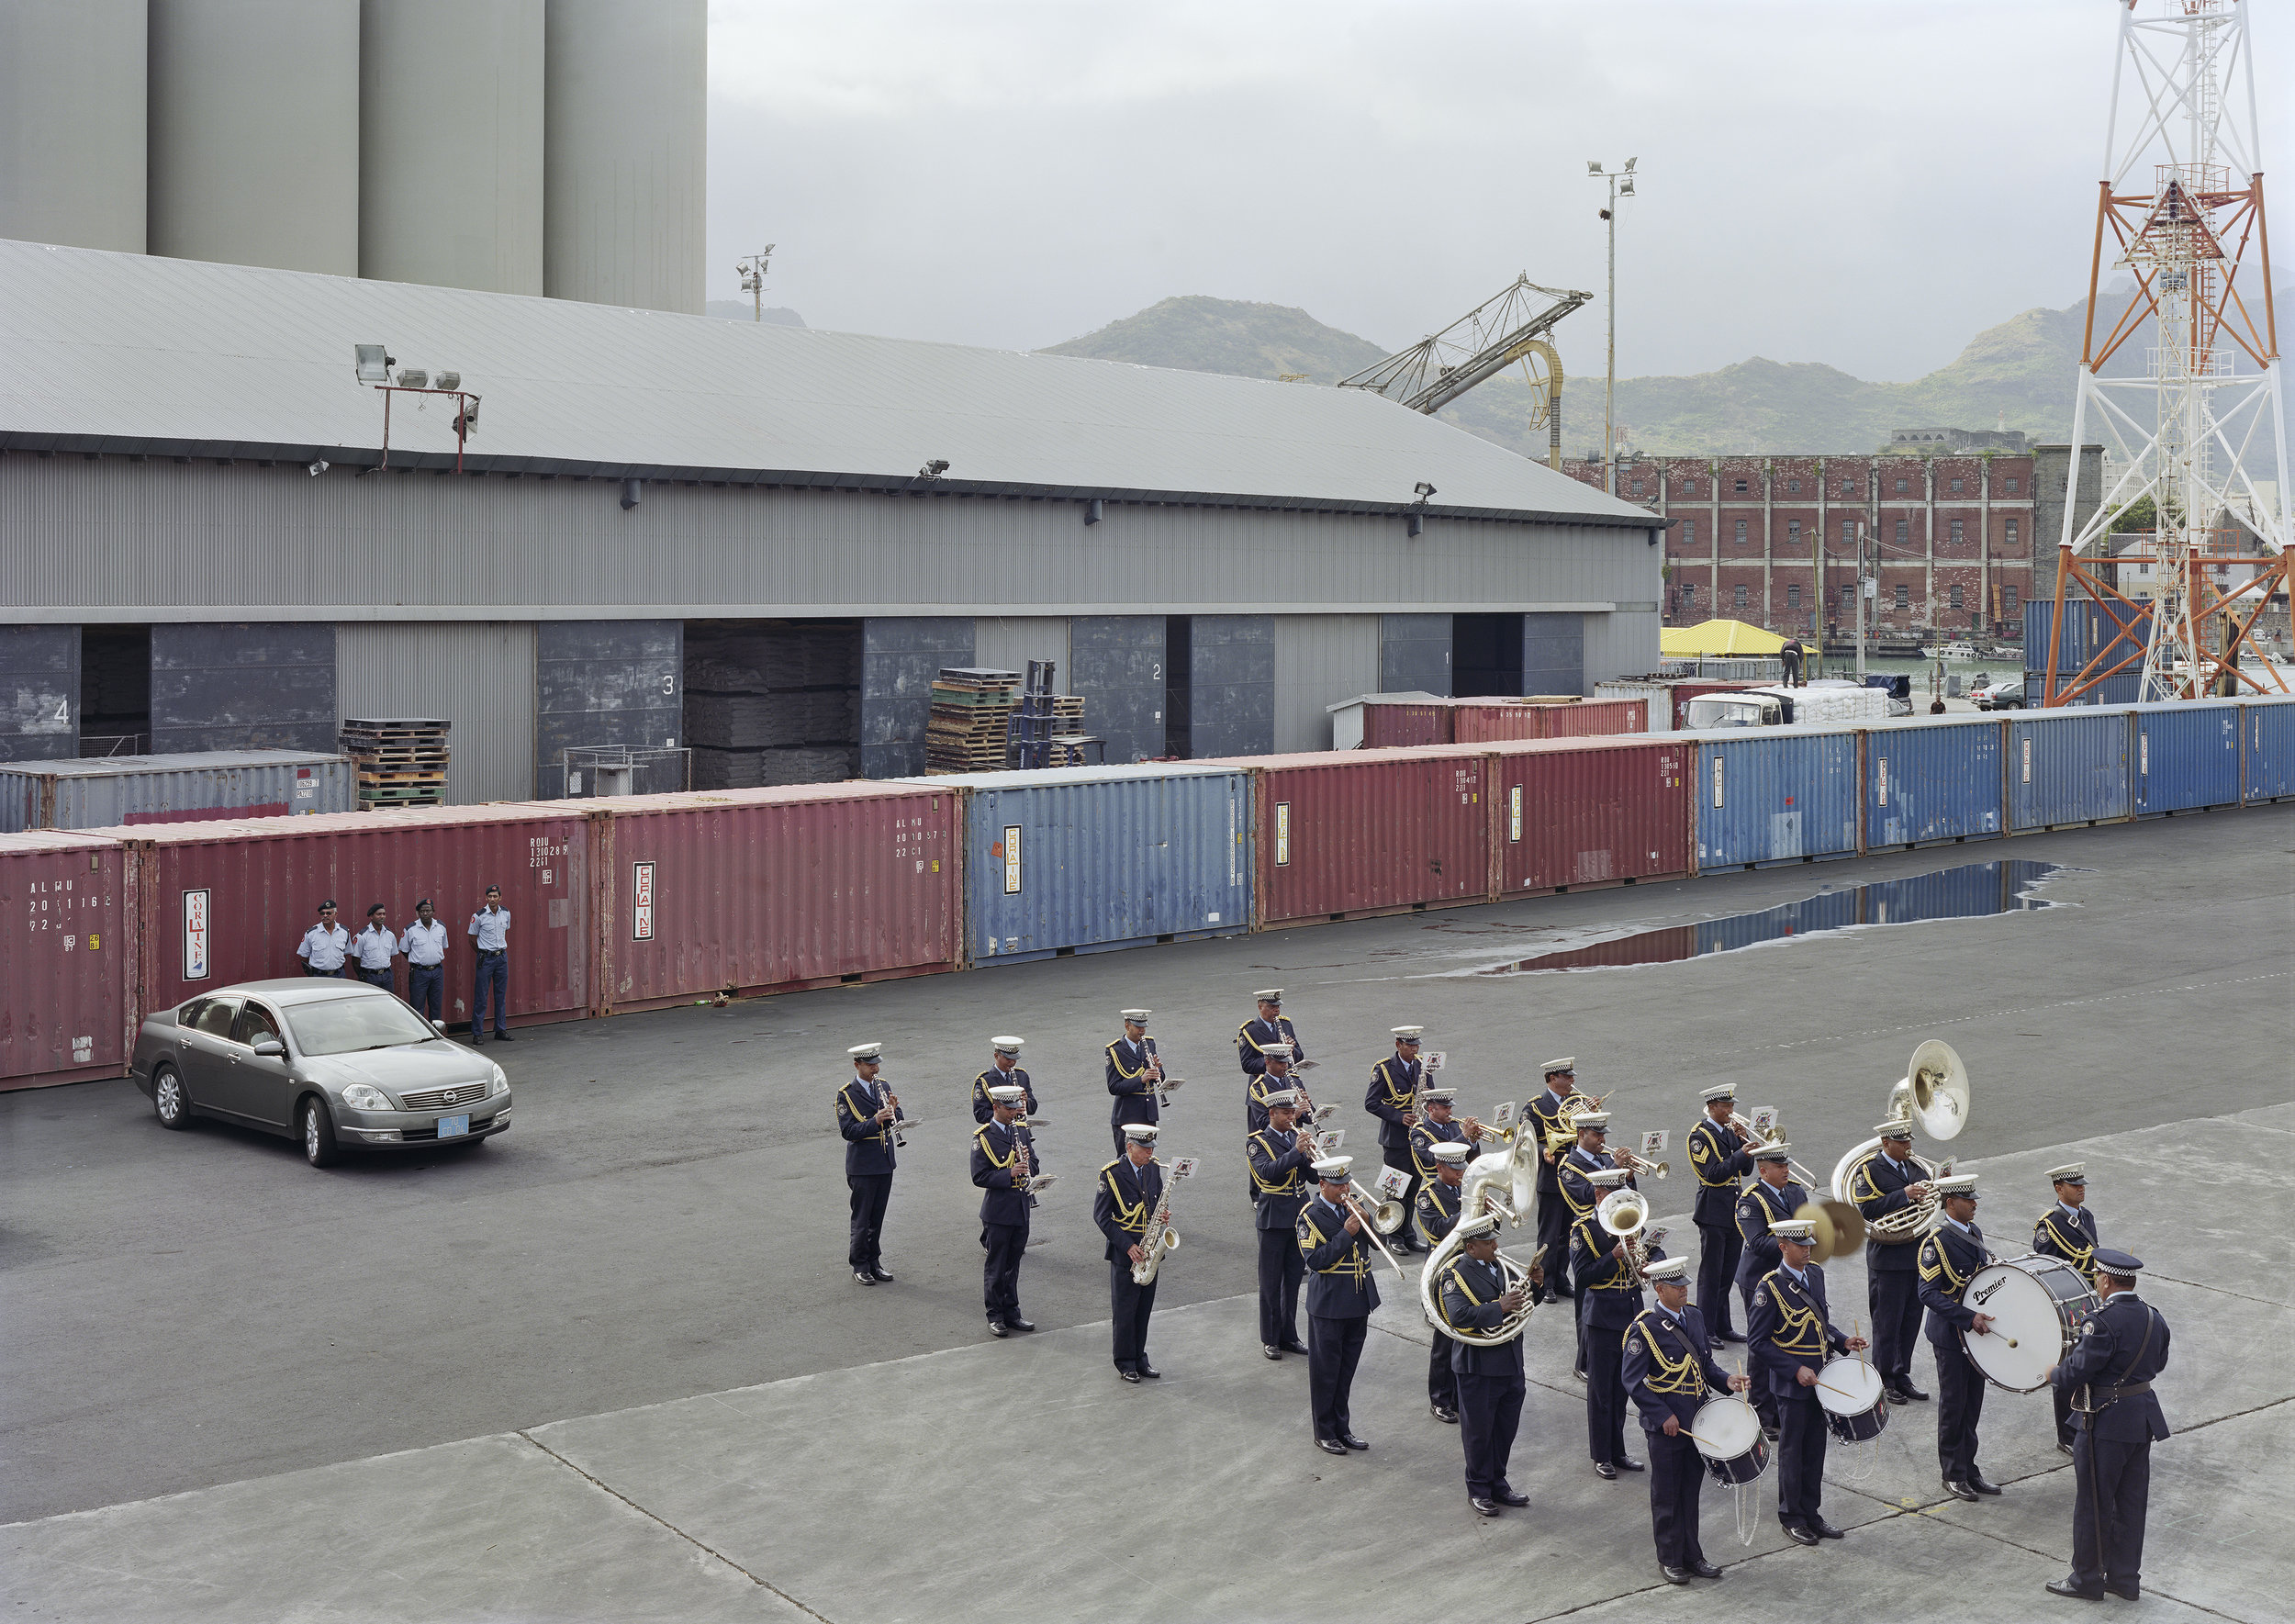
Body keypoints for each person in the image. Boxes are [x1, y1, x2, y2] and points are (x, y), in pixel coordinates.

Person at [2043, 1248, 2170, 1603]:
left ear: (2105, 1279)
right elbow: (2158, 1362)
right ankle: (2125, 1579)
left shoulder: (2101, 1322)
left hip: (2105, 1422)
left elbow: (2076, 1372)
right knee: (2131, 1504)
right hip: (2140, 1418)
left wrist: (2055, 1373)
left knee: (2093, 1503)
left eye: (2097, 1277)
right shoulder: (2153, 1317)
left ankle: (2086, 1578)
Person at [1624, 1256, 1750, 1585]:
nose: (1684, 1290)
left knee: (1690, 1492)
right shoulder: (1645, 1329)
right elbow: (1633, 1382)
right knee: (1666, 1494)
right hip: (1666, 1427)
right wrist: (1662, 1414)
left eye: (1684, 1285)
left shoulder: (1693, 1316)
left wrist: (1727, 1382)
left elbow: (1705, 1366)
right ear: (1659, 1288)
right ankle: (1669, 1559)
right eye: (1677, 1286)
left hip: (1697, 1422)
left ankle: (1692, 1555)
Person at [1745, 1216, 1866, 1545]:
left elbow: (1820, 1322)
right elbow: (1757, 1342)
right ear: (1783, 1247)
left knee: (1815, 1450)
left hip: (1821, 1379)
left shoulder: (1815, 1274)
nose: (1807, 1251)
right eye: (1801, 1246)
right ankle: (1792, 1516)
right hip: (1791, 1384)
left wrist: (1842, 1342)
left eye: (1809, 1245)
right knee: (1792, 1451)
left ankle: (1812, 1512)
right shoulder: (1768, 1288)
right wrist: (1794, 1369)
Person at [1439, 1214, 1534, 1515]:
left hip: (1509, 1361)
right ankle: (1478, 1487)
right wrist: (1498, 1306)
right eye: (1487, 1242)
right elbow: (1457, 1316)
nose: (1495, 1245)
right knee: (1479, 1431)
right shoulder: (1454, 1274)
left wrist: (1538, 1287)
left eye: (1494, 1240)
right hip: (1477, 1366)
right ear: (1470, 1247)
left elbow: (1522, 1303)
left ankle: (1498, 1481)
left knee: (1506, 1428)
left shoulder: (1499, 1266)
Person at [1919, 1172, 2003, 1501]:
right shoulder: (1936, 1242)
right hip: (1951, 1336)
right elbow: (1928, 1293)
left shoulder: (1974, 1233)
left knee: (1972, 1405)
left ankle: (1970, 1468)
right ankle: (1953, 1473)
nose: (1975, 1204)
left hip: (1975, 1335)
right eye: (1969, 1200)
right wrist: (1969, 1318)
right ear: (1950, 1203)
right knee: (1954, 1405)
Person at [1573, 1167, 1657, 1480]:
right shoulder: (1583, 1231)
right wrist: (1615, 1256)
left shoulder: (1632, 1222)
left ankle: (1618, 1450)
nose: (1620, 1202)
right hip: (1602, 1317)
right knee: (1601, 1391)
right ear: (1598, 1195)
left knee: (1623, 1388)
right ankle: (1602, 1455)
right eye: (1613, 1196)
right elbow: (1582, 1278)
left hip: (1630, 1313)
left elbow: (1650, 1250)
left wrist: (1651, 1263)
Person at [1847, 1119, 1933, 1406]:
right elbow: (1867, 1209)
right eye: (1902, 1143)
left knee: (1910, 1319)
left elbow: (1930, 1198)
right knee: (1887, 1322)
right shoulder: (1870, 1170)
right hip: (1888, 1257)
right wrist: (1903, 1195)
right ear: (1886, 1144)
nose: (1909, 1147)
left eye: (1909, 1142)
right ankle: (1883, 1378)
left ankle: (1901, 1373)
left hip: (1916, 1253)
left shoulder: (1915, 1167)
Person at [1298, 1156, 1379, 1454]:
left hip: (1358, 1299)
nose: (1345, 1189)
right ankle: (1324, 1431)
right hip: (1329, 1304)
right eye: (1337, 1185)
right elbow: (1316, 1261)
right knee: (1325, 1371)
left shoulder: (1354, 1206)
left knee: (1346, 1370)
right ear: (1322, 1184)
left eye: (1346, 1182)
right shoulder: (1309, 1215)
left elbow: (1380, 1237)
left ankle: (1342, 1428)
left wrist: (1368, 1220)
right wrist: (1347, 1233)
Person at [1733, 1142, 1810, 1438]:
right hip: (1759, 1281)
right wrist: (1794, 1245)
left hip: (1790, 1277)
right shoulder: (1750, 1201)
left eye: (1787, 1166)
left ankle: (1782, 1407)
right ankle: (1762, 1413)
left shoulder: (1796, 1191)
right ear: (1763, 1171)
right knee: (1762, 1346)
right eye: (1780, 1167)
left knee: (1788, 1340)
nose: (1786, 1171)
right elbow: (1758, 1242)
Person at [2033, 1161, 2100, 1454]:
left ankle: (2084, 1425)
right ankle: (2066, 1435)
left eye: (2082, 1184)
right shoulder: (2049, 1225)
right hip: (2065, 1306)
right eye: (2075, 1186)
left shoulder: (2087, 1216)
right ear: (2059, 1189)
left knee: (2088, 1365)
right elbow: (2043, 1269)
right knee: (2067, 1368)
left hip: (2089, 1300)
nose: (2081, 1188)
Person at [1246, 1086, 1316, 1361]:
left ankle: (1289, 1335)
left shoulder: (1295, 1137)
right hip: (1274, 1218)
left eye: (1293, 1113)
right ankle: (1270, 1338)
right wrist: (1296, 1152)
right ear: (1272, 1113)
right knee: (1271, 1282)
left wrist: (1312, 1154)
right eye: (1286, 1113)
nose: (1291, 1118)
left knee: (1293, 1282)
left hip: (1298, 1215)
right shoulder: (1258, 1142)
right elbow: (1267, 1174)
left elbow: (1311, 1178)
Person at [1093, 1123, 1167, 1383]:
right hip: (1126, 1253)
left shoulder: (1153, 1168)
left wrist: (1163, 1216)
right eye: (1145, 1148)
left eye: (1151, 1148)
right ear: (1130, 1147)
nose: (1149, 1153)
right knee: (1125, 1311)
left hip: (1149, 1252)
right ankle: (1125, 1362)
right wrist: (1127, 1245)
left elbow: (1155, 1202)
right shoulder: (1111, 1174)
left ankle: (1139, 1358)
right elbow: (1102, 1217)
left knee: (1143, 1310)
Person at [1558, 1109, 1626, 1380]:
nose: (1601, 1139)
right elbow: (1586, 1195)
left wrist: (1628, 1175)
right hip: (1590, 1233)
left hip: (1615, 1225)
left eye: (1602, 1134)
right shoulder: (1568, 1167)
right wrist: (1614, 1168)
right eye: (1596, 1134)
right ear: (1581, 1135)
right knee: (1586, 1302)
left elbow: (1627, 1193)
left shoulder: (1605, 1158)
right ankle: (1583, 1362)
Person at [970, 1083, 1040, 1338]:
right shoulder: (984, 1137)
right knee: (997, 1267)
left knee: (1013, 1264)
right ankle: (995, 1315)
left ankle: (1012, 1311)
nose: (1014, 1113)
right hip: (998, 1212)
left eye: (1015, 1109)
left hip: (1021, 1208)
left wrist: (1028, 1166)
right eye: (1009, 1109)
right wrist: (1008, 1173)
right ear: (996, 1107)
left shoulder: (1020, 1131)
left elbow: (1034, 1161)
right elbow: (979, 1176)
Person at [1686, 1084, 1754, 1346]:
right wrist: (1739, 1153)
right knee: (1711, 1273)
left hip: (1733, 1209)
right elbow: (1711, 1174)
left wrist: (1744, 1141)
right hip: (1713, 1209)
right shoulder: (1699, 1136)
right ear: (1712, 1107)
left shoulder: (1728, 1132)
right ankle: (1706, 1329)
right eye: (1725, 1107)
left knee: (1728, 1272)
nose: (1731, 1111)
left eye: (1732, 1106)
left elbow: (1746, 1170)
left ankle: (1723, 1326)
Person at [833, 1041, 903, 1286]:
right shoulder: (847, 1094)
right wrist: (874, 1121)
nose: (876, 1070)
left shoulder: (883, 1086)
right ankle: (860, 1264)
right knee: (862, 1218)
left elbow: (897, 1117)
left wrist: (894, 1110)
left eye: (876, 1064)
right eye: (870, 1065)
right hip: (862, 1166)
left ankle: (875, 1262)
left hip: (884, 1161)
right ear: (857, 1065)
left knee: (878, 1216)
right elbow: (848, 1131)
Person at [1416, 1139, 1473, 1421]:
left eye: (1462, 1168)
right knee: (1444, 1339)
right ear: (1440, 1167)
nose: (1461, 1174)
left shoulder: (1469, 1189)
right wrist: (1468, 1213)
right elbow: (1436, 1230)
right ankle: (1439, 1398)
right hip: (1443, 1269)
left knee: (1467, 1333)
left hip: (1469, 1265)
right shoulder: (1428, 1195)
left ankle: (1460, 1396)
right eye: (1454, 1170)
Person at [1364, 1025, 1427, 1252]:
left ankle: (1408, 1234)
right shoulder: (1384, 1069)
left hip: (1418, 1138)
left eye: (1416, 1045)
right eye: (1410, 1045)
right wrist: (1399, 1117)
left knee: (1413, 1190)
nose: (1414, 1049)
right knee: (1395, 1189)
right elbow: (1371, 1103)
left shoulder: (1423, 1066)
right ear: (1398, 1045)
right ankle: (1393, 1236)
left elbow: (1430, 1096)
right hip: (1395, 1140)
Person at [1525, 1058, 1580, 1304]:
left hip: (1575, 1176)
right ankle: (1545, 1281)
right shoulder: (1535, 1107)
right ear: (1552, 1079)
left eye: (1571, 1077)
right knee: (1549, 1234)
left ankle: (1560, 1277)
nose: (1572, 1081)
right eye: (1566, 1077)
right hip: (1550, 1177)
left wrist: (1592, 1114)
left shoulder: (1576, 1103)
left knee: (1568, 1231)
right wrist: (1542, 1151)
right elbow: (1525, 1139)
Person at [1237, 989, 1307, 1126]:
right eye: (1271, 1007)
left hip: (1286, 1085)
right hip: (1263, 1090)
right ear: (1260, 1007)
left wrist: (1291, 1050)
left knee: (1291, 1132)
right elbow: (1247, 1064)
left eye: (1277, 1007)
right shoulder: (1250, 1031)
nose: (1276, 1011)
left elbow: (1298, 1056)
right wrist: (1275, 1057)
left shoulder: (1285, 1024)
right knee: (1264, 1133)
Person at [1105, 1009, 1164, 1159]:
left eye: (1143, 1027)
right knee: (1126, 1159)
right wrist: (1141, 1080)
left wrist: (1158, 1069)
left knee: (1147, 1157)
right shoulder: (1115, 1050)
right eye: (1138, 1027)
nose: (1142, 1030)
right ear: (1127, 1025)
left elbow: (1160, 1079)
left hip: (1148, 1113)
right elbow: (1114, 1087)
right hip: (1127, 1115)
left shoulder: (1149, 1044)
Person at [467, 885, 512, 1041]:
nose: (492, 899)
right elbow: (472, 939)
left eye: (495, 896)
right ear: (486, 898)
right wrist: (483, 953)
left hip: (501, 958)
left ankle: (500, 1030)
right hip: (486, 959)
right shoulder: (479, 916)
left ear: (500, 898)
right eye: (490, 896)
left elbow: (505, 931)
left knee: (500, 995)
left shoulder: (506, 913)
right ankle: (478, 1033)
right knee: (481, 996)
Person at [399, 899, 448, 1023]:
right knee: (417, 1006)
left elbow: (443, 946)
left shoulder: (441, 927)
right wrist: (417, 961)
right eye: (422, 911)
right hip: (419, 973)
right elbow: (404, 950)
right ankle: (420, 1037)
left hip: (437, 972)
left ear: (433, 912)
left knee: (436, 1006)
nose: (425, 914)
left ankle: (437, 1035)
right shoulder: (410, 929)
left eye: (428, 911)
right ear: (418, 913)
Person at [971, 1036, 1037, 1124]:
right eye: (1008, 1059)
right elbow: (980, 1114)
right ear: (996, 1056)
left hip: (1022, 1131)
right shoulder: (985, 1081)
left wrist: (1026, 1101)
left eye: (1015, 1059)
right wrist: (1007, 1114)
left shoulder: (1022, 1076)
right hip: (999, 1133)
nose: (1012, 1063)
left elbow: (1033, 1108)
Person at [1245, 1042, 1303, 1136]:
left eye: (1287, 1062)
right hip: (1272, 1141)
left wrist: (1304, 1109)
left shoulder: (1295, 1081)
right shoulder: (1258, 1088)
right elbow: (1263, 1122)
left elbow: (1307, 1118)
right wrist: (1294, 1115)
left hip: (1294, 1137)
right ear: (1268, 1062)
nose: (1285, 1066)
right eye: (1281, 1063)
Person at [296, 901, 350, 978]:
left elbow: (346, 953)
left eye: (328, 913)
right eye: (322, 913)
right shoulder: (311, 933)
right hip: (318, 975)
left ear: (336, 914)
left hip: (339, 975)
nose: (325, 916)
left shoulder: (344, 932)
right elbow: (303, 957)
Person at [352, 904, 397, 990]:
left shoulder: (390, 935)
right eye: (379, 914)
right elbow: (355, 960)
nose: (382, 916)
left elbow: (391, 955)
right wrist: (363, 974)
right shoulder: (362, 936)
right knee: (370, 1002)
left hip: (387, 976)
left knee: (387, 1001)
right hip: (370, 977)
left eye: (384, 914)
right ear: (371, 916)